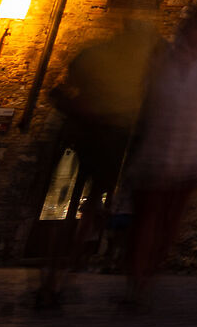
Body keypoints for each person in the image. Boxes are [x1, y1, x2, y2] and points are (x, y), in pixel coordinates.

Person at [121, 5, 197, 305]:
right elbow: (144, 97)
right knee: (145, 221)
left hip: (189, 156)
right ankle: (135, 283)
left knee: (166, 224)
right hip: (155, 153)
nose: (193, 36)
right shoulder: (162, 60)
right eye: (190, 30)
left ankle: (145, 281)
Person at [35, 18, 158, 309]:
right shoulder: (127, 67)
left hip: (90, 143)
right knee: (84, 211)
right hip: (98, 145)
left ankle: (56, 278)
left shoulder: (101, 58)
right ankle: (59, 277)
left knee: (81, 211)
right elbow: (60, 88)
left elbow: (59, 88)